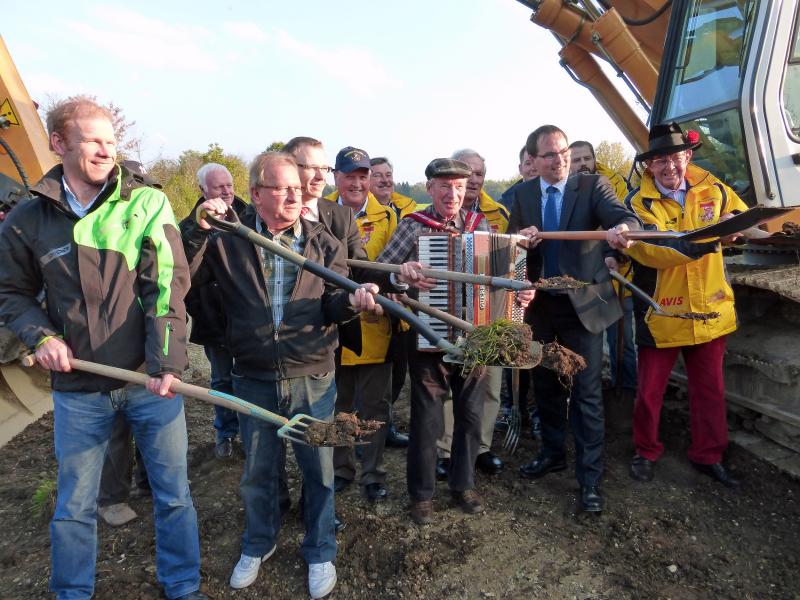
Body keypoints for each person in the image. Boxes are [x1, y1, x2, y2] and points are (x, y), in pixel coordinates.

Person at [0, 96, 205, 600]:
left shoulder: (145, 203)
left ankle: (182, 586)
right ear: (58, 143)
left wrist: (166, 363)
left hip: (149, 382)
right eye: (92, 140)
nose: (105, 151)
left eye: (110, 141)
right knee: (74, 505)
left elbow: (167, 287)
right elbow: (10, 292)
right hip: (78, 390)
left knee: (174, 495)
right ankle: (72, 592)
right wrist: (41, 336)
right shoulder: (28, 218)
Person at [183, 151, 380, 599]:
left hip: (312, 374)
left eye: (297, 186)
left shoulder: (323, 243)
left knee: (319, 469)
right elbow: (184, 274)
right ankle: (259, 542)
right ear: (256, 193)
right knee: (259, 469)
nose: (295, 195)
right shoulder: (230, 238)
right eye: (282, 188)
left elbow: (332, 303)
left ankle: (320, 550)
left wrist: (351, 303)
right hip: (253, 374)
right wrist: (199, 227)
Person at [377, 158, 534, 525]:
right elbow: (379, 273)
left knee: (471, 415)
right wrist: (402, 276)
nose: (453, 194)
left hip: (476, 339)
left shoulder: (482, 226)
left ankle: (463, 485)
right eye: (445, 186)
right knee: (428, 419)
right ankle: (421, 494)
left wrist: (522, 293)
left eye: (459, 187)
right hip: (428, 337)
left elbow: (508, 275)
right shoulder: (413, 226)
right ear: (430, 188)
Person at [507, 124, 640, 514]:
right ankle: (552, 453)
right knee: (546, 386)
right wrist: (522, 240)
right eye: (550, 154)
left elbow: (624, 218)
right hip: (541, 308)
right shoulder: (523, 194)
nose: (560, 160)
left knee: (586, 393)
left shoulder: (592, 186)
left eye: (563, 151)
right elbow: (512, 247)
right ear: (534, 160)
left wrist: (622, 230)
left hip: (584, 307)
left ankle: (590, 479)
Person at [623, 122, 747, 487]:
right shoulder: (637, 203)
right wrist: (709, 240)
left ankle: (709, 455)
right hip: (662, 312)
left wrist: (733, 223)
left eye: (675, 157)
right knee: (649, 393)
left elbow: (740, 214)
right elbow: (652, 251)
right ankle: (646, 451)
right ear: (649, 165)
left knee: (710, 391)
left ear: (688, 156)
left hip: (710, 309)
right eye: (660, 160)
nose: (669, 166)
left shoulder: (713, 187)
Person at [325, 147, 397, 502]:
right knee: (338, 403)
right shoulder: (319, 213)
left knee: (375, 406)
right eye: (349, 176)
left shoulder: (388, 216)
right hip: (334, 325)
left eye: (363, 176)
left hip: (375, 326)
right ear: (335, 177)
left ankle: (373, 473)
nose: (357, 183)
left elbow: (394, 267)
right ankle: (341, 468)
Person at [437, 149, 509, 477]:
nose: (474, 180)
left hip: (487, 313)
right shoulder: (430, 219)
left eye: (478, 174)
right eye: (468, 173)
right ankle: (444, 448)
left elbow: (510, 260)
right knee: (450, 382)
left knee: (490, 381)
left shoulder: (494, 215)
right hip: (448, 311)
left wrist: (520, 286)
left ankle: (481, 446)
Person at [182, 163, 248, 458]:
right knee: (221, 379)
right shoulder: (189, 225)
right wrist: (201, 229)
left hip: (245, 316)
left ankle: (251, 433)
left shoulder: (249, 216)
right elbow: (184, 269)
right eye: (219, 186)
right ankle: (226, 435)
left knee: (249, 377)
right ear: (202, 190)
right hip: (212, 317)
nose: (226, 191)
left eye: (229, 185)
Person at [569, 140, 637, 396]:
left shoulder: (616, 185)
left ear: (594, 159)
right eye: (576, 160)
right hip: (588, 284)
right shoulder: (567, 192)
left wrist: (616, 254)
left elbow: (625, 222)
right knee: (589, 344)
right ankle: (592, 392)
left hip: (619, 277)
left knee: (623, 341)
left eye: (587, 158)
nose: (582, 164)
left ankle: (626, 393)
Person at [369, 156, 416, 448]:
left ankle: (385, 425)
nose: (385, 180)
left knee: (398, 368)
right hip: (372, 300)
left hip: (403, 304)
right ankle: (366, 428)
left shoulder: (408, 210)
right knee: (372, 373)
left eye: (388, 174)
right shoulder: (355, 214)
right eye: (378, 175)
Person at [499, 146, 539, 210]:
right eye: (528, 163)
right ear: (520, 169)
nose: (534, 168)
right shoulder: (502, 207)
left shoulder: (555, 199)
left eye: (537, 163)